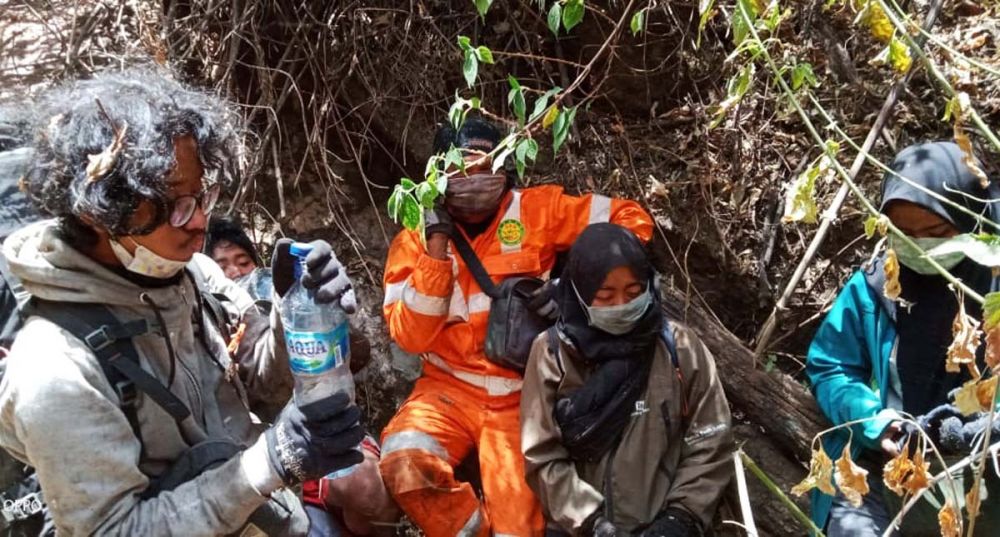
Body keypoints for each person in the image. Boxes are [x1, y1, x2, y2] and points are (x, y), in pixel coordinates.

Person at [0, 68, 365, 535]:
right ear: (97, 212)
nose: (199, 223)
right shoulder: (55, 369)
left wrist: (296, 308)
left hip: (265, 518)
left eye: (201, 195)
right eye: (175, 204)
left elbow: (261, 384)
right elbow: (113, 530)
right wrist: (269, 463)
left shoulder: (191, 273)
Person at [379, 116, 654, 537]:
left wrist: (573, 288)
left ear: (506, 167)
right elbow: (409, 336)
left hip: (521, 395)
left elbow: (631, 219)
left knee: (521, 530)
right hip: (445, 390)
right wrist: (436, 248)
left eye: (486, 166)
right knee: (403, 458)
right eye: (461, 168)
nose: (475, 179)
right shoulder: (413, 240)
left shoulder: (538, 210)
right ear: (437, 175)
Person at [806, 141, 1000, 536]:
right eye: (903, 232)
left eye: (936, 232)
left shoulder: (993, 285)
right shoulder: (875, 287)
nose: (918, 245)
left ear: (972, 218)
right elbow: (831, 366)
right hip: (892, 469)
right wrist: (875, 423)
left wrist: (988, 426)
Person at [520, 223, 733, 537]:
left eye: (633, 293)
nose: (621, 305)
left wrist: (681, 516)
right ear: (579, 293)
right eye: (605, 296)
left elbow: (711, 437)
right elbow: (541, 454)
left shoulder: (678, 348)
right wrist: (593, 523)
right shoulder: (553, 353)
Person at [206, 216, 400, 537]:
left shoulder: (277, 287)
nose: (236, 272)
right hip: (254, 454)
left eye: (243, 261)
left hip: (319, 421)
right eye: (222, 265)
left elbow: (357, 352)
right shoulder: (203, 319)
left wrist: (316, 313)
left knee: (367, 490)